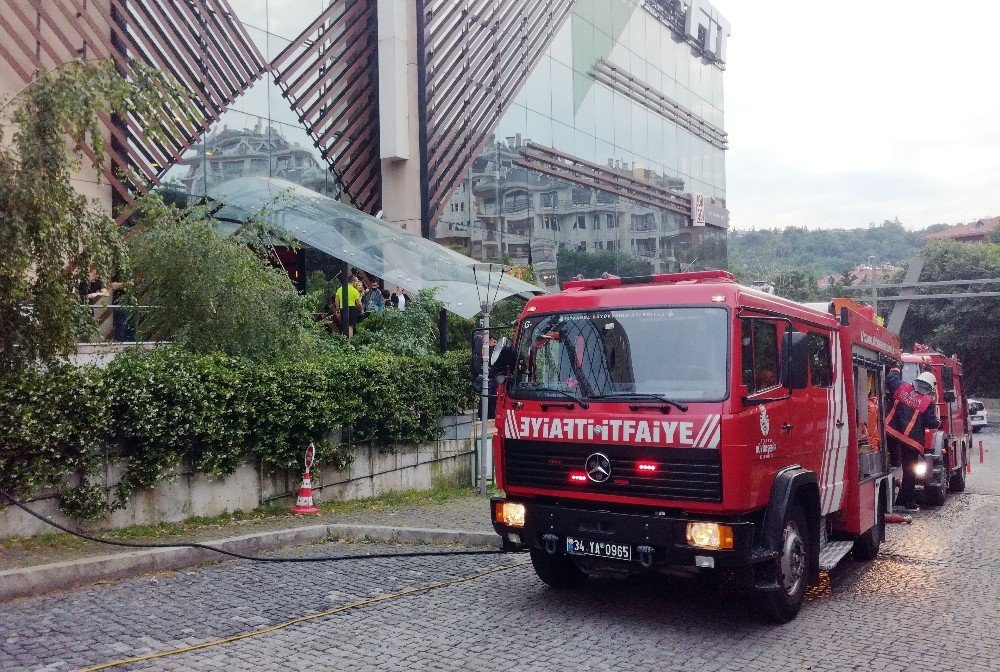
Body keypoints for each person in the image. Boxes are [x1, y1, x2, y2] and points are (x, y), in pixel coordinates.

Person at [885, 368, 940, 511]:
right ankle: (907, 502)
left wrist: (895, 368)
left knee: (893, 464)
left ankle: (898, 496)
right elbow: (930, 422)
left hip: (892, 434)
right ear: (930, 387)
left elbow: (891, 378)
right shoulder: (927, 402)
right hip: (911, 442)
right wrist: (937, 422)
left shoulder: (902, 387)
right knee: (909, 471)